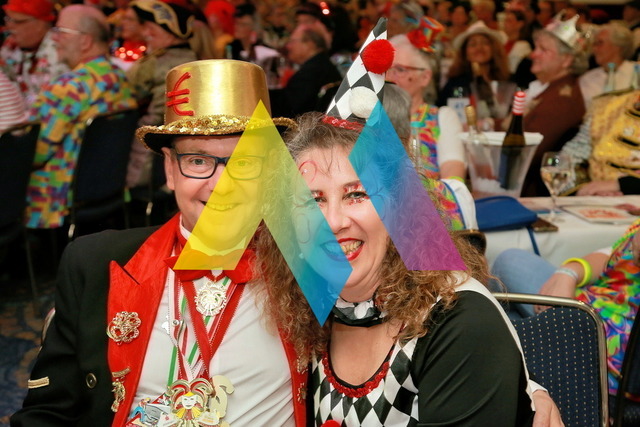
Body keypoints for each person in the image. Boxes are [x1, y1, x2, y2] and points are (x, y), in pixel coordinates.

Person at [11, 59, 308, 426]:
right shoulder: (94, 264)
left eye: (244, 163)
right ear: (169, 169)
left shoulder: (310, 268)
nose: (221, 184)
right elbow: (47, 413)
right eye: (198, 161)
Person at [255, 110, 541, 425]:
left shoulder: (458, 321)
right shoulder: (311, 312)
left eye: (356, 194)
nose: (333, 222)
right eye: (313, 200)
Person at [492, 219, 640, 397]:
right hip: (593, 302)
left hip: (607, 343)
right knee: (507, 284)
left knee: (501, 321)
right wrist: (569, 273)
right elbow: (613, 255)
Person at [24, 5, 136, 230]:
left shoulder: (68, 88)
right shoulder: (119, 79)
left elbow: (30, 153)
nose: (54, 39)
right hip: (105, 194)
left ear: (85, 41)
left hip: (54, 202)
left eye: (61, 32)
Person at [125, 0, 198, 189]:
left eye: (152, 29)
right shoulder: (196, 59)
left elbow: (125, 94)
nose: (146, 34)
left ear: (171, 33)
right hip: (187, 148)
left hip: (147, 152)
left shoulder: (152, 64)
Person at [520, 13, 587, 197]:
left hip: (531, 193)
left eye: (543, 50)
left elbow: (525, 155)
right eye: (535, 48)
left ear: (566, 60)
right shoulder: (549, 89)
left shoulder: (561, 101)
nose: (533, 54)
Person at [388, 23, 466, 181]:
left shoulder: (442, 118)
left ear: (425, 77)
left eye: (400, 70)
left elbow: (454, 177)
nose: (389, 77)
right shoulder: (368, 117)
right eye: (386, 69)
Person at [438, 21, 513, 131]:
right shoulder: (455, 83)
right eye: (473, 44)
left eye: (485, 43)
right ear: (465, 53)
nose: (479, 48)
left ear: (494, 49)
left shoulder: (508, 80)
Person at [0, 0, 68, 105]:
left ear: (40, 24)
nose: (9, 26)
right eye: (8, 19)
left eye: (17, 22)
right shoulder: (10, 46)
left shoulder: (60, 53)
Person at [273, 25, 341, 118]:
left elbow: (289, 108)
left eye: (292, 41)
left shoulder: (311, 71)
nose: (288, 46)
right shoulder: (322, 63)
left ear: (310, 44)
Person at [579, 23, 636, 108]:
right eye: (594, 44)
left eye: (600, 43)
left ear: (618, 46)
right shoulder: (586, 79)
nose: (594, 49)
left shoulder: (635, 72)